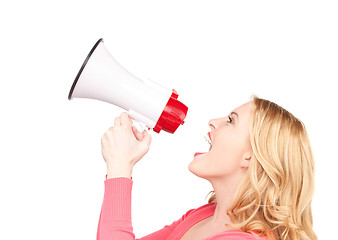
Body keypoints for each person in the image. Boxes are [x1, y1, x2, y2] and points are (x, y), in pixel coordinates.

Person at [96, 96, 316, 240]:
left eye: (231, 121)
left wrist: (119, 167)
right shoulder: (202, 216)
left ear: (251, 156)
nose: (213, 121)